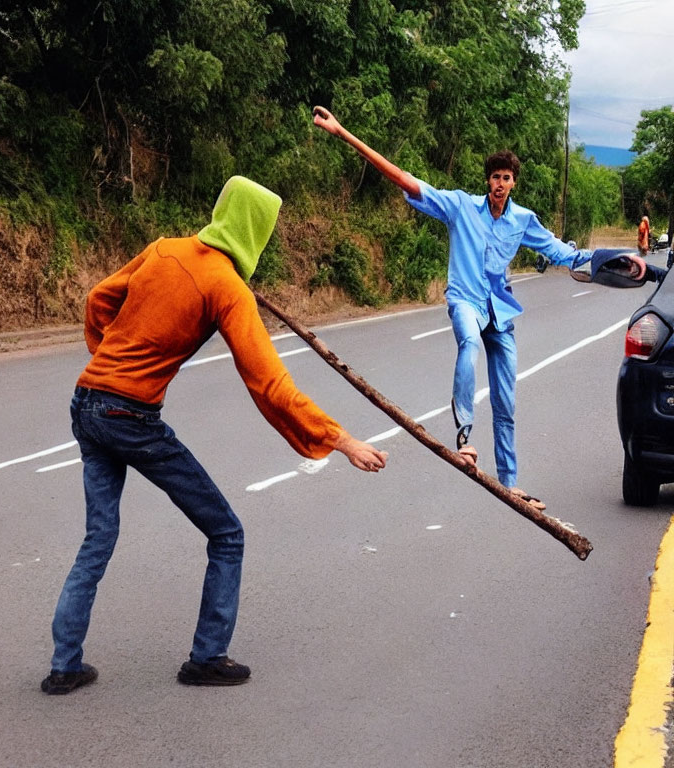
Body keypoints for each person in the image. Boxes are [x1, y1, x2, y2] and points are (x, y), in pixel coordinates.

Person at [40, 175, 388, 695]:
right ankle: (206, 657)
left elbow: (97, 300)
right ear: (255, 231)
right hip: (130, 419)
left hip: (88, 402)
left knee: (98, 538)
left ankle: (64, 667)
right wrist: (342, 441)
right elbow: (270, 384)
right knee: (227, 534)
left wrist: (110, 361)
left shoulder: (164, 250)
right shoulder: (228, 287)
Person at [312, 106, 590, 509]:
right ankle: (464, 438)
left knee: (506, 399)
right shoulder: (461, 206)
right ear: (488, 180)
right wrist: (342, 133)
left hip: (500, 312)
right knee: (468, 344)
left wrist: (612, 262)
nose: (499, 183)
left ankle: (510, 482)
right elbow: (406, 179)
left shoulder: (523, 219)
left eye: (506, 178)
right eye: (494, 177)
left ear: (514, 183)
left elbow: (562, 253)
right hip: (465, 301)